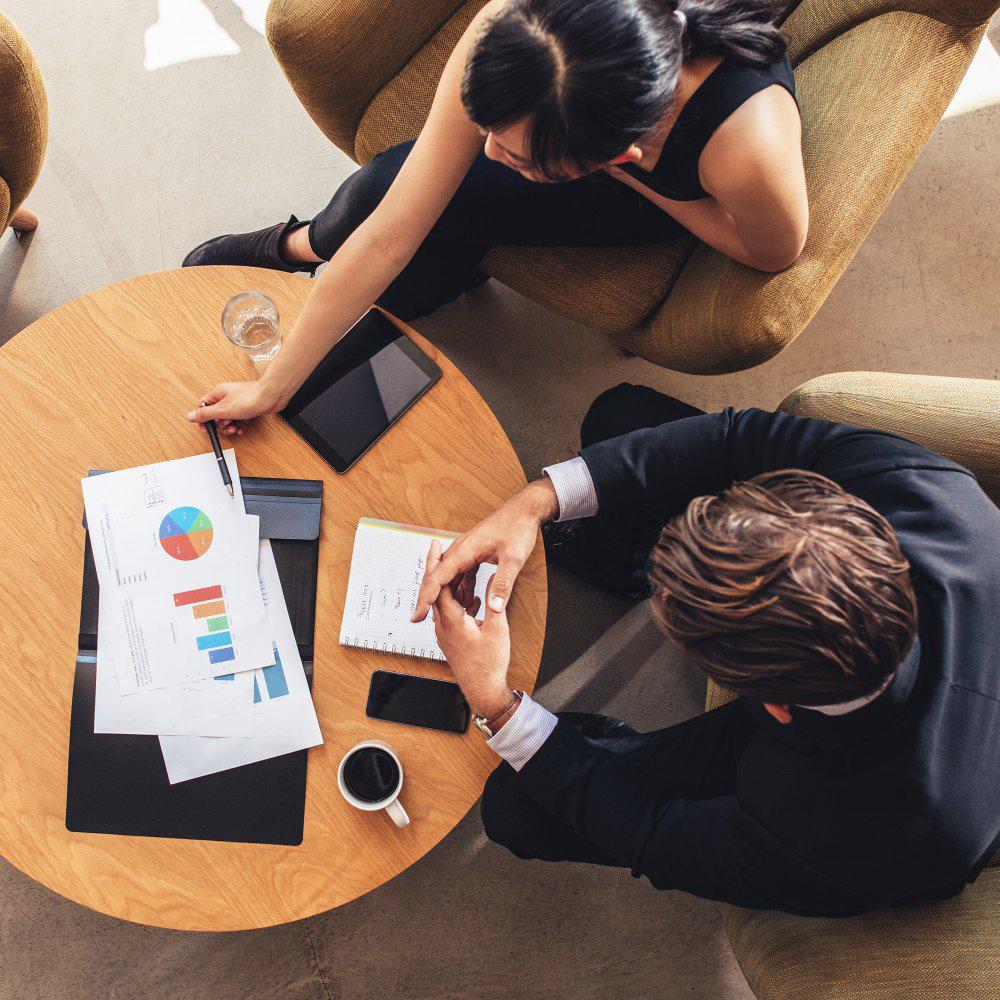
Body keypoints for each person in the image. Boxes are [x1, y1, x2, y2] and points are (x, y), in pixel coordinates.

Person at [412, 383, 1000, 916]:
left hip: (868, 784)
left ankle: (599, 740)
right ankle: (610, 568)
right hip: (870, 706)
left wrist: (497, 704)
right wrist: (534, 503)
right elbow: (739, 436)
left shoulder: (846, 834)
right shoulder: (929, 491)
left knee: (519, 808)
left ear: (767, 704)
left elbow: (656, 835)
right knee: (622, 415)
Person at [182, 0, 806, 436]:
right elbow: (387, 236)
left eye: (516, 157)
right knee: (384, 187)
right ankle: (297, 244)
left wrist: (645, 185)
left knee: (422, 259)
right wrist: (273, 388)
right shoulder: (515, 27)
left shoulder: (747, 148)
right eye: (488, 130)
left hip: (652, 192)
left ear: (614, 157)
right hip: (598, 140)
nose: (487, 155)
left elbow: (769, 251)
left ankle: (405, 272)